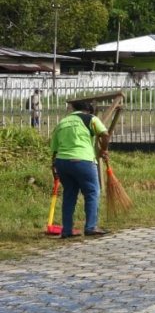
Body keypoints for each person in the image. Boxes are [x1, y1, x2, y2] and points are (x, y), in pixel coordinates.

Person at [50, 100, 110, 238]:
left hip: (62, 162)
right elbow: (105, 134)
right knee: (92, 192)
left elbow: (54, 149)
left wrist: (54, 167)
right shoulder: (90, 118)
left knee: (69, 195)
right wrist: (104, 150)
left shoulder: (62, 122)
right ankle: (90, 227)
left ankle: (67, 230)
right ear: (88, 111)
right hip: (83, 161)